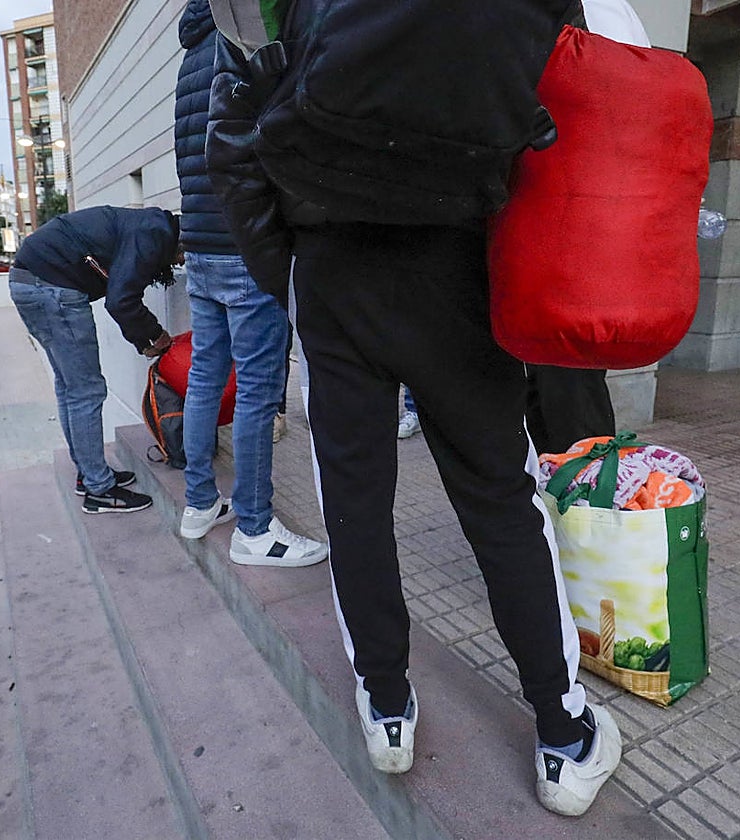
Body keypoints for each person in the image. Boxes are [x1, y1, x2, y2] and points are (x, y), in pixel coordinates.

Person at [206, 0, 619, 816]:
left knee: (354, 502)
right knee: (501, 499)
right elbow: (566, 88)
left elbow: (237, 129)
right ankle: (563, 732)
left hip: (332, 258)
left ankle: (388, 707)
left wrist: (294, 275)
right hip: (457, 256)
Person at [173, 0, 327, 567]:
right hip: (244, 239)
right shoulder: (239, 32)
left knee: (206, 376)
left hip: (201, 241)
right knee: (258, 391)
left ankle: (198, 504)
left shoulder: (191, 50)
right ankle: (255, 529)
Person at [524, 0, 650, 457]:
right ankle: (576, 478)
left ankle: (581, 480)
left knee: (563, 373)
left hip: (559, 216)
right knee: (563, 372)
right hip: (587, 220)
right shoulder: (619, 13)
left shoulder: (600, 13)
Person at [9, 205, 180, 514]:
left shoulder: (148, 225)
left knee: (70, 388)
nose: (181, 263)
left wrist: (143, 340)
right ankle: (99, 489)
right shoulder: (156, 233)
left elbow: (121, 290)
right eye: (183, 257)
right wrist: (155, 336)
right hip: (51, 288)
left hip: (31, 281)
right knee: (86, 391)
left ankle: (89, 473)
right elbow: (121, 299)